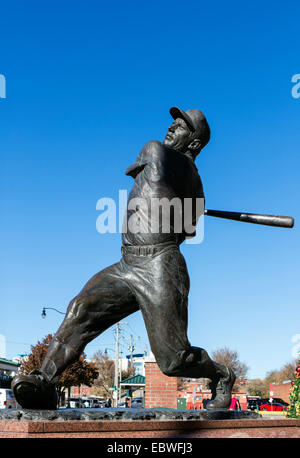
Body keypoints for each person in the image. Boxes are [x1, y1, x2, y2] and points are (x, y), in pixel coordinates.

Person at [12, 106, 236, 410]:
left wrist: (183, 200)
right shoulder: (186, 176)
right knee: (81, 309)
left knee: (172, 361)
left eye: (181, 126)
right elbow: (190, 227)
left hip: (160, 265)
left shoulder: (160, 153)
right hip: (128, 263)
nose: (171, 127)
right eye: (173, 122)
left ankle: (221, 374)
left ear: (194, 143)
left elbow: (186, 230)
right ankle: (45, 382)